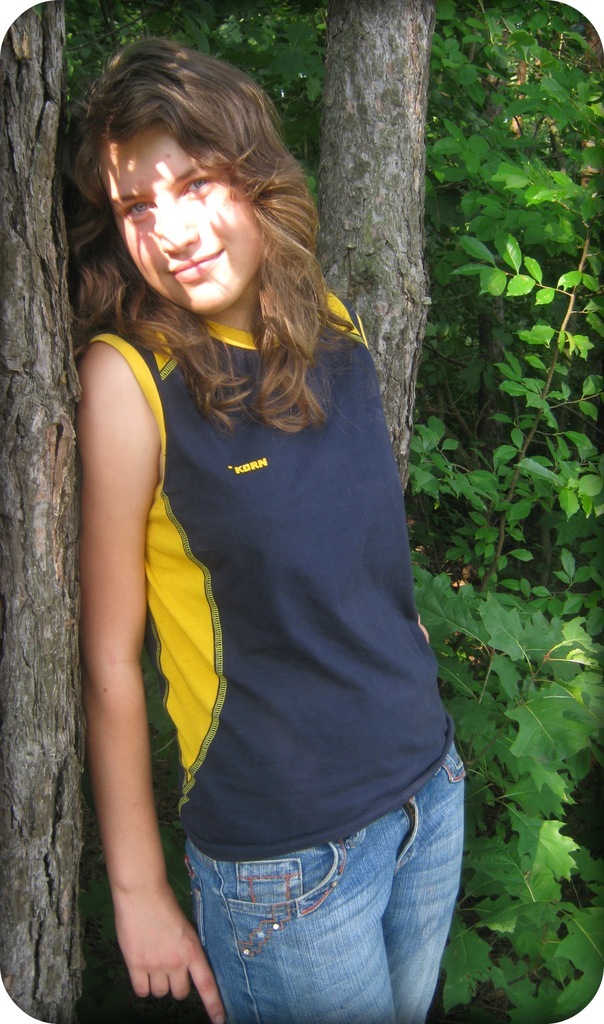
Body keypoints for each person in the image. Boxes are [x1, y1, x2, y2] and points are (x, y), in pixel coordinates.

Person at [69, 37, 465, 1024]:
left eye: (195, 183)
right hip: (289, 866)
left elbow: (363, 549)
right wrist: (137, 890)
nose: (170, 230)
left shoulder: (332, 325)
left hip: (428, 796)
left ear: (255, 180)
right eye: (136, 207)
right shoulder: (130, 381)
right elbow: (109, 659)